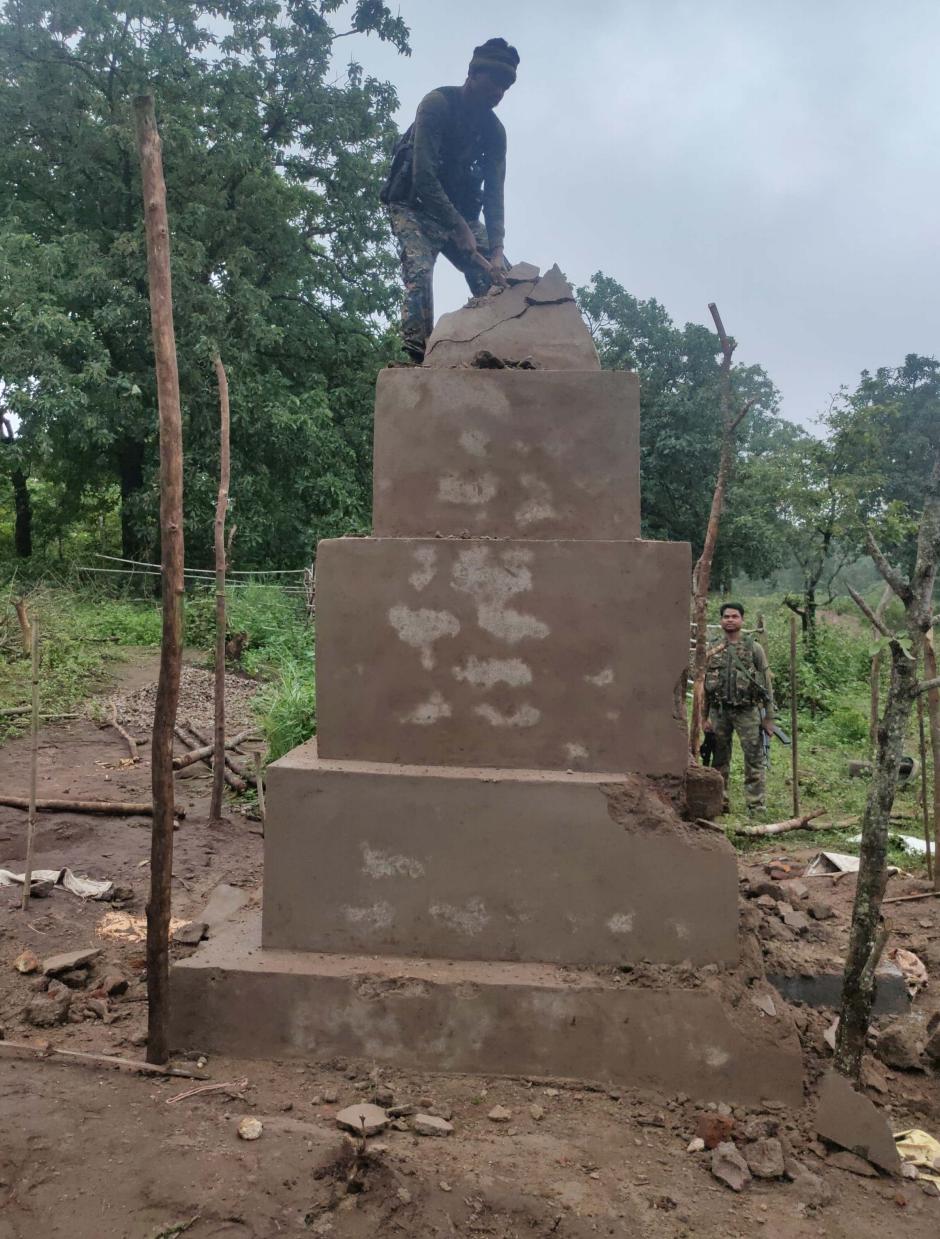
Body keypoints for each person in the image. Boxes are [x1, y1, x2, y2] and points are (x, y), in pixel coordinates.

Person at [381, 37, 519, 363]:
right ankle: (416, 357)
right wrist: (458, 227)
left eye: (505, 86)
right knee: (419, 272)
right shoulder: (437, 104)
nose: (499, 91)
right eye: (494, 81)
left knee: (504, 282)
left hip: (461, 214)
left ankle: (506, 349)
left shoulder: (494, 132)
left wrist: (496, 250)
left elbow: (494, 194)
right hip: (414, 206)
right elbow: (423, 177)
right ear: (472, 74)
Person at [703, 602, 775, 815]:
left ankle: (756, 806)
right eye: (726, 616)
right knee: (718, 760)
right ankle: (720, 803)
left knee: (754, 759)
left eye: (734, 616)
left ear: (742, 620)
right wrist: (703, 717)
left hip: (747, 712)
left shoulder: (754, 648)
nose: (730, 620)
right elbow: (704, 686)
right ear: (721, 620)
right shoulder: (712, 648)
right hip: (719, 712)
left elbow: (766, 683)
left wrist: (769, 717)